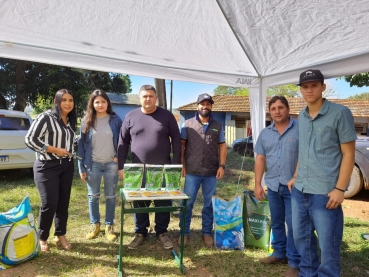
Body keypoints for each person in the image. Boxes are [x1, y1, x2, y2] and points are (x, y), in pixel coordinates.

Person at [288, 69, 356, 277]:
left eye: (314, 85)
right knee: (302, 239)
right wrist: (295, 175)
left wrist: (340, 189)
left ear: (323, 87)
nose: (309, 90)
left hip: (325, 193)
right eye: (305, 87)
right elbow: (304, 150)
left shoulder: (340, 113)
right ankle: (307, 273)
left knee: (329, 246)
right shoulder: (301, 115)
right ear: (300, 90)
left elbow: (348, 154)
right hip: (300, 190)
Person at [117, 85, 181, 250]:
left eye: (151, 96)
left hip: (164, 169)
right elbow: (122, 143)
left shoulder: (166, 116)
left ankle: (162, 232)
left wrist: (176, 165)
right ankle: (140, 233)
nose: (148, 99)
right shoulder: (130, 117)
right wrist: (121, 167)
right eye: (144, 96)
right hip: (138, 171)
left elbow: (176, 139)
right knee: (139, 202)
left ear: (156, 98)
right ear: (139, 98)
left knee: (163, 202)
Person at [25, 89, 77, 252]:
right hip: (47, 167)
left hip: (67, 166)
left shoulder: (70, 120)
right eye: (64, 100)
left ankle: (60, 234)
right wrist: (54, 149)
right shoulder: (45, 117)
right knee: (49, 203)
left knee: (63, 202)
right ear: (56, 101)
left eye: (70, 100)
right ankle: (42, 237)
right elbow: (30, 139)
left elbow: (70, 141)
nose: (68, 103)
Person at [254, 96, 300, 277]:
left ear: (288, 109)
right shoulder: (265, 133)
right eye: (273, 108)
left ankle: (294, 262)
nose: (277, 111)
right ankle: (279, 253)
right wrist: (258, 184)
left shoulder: (299, 129)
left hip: (294, 187)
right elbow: (260, 159)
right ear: (270, 111)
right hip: (273, 185)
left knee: (294, 225)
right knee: (277, 222)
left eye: (281, 107)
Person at [178, 93, 227, 248]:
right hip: (192, 171)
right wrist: (182, 165)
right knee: (188, 203)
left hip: (211, 172)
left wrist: (222, 165)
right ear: (197, 106)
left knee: (208, 204)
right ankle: (184, 233)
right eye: (202, 104)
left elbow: (222, 146)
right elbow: (182, 146)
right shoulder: (187, 124)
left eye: (208, 104)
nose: (205, 106)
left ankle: (206, 233)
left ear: (211, 106)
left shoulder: (217, 125)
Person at [78, 89, 123, 242]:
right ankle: (95, 225)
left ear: (107, 103)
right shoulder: (86, 121)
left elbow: (123, 141)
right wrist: (81, 167)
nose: (100, 104)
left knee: (111, 196)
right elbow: (81, 146)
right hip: (93, 164)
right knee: (93, 196)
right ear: (92, 103)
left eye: (103, 101)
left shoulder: (115, 119)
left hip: (112, 164)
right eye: (97, 102)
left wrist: (119, 157)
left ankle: (109, 226)